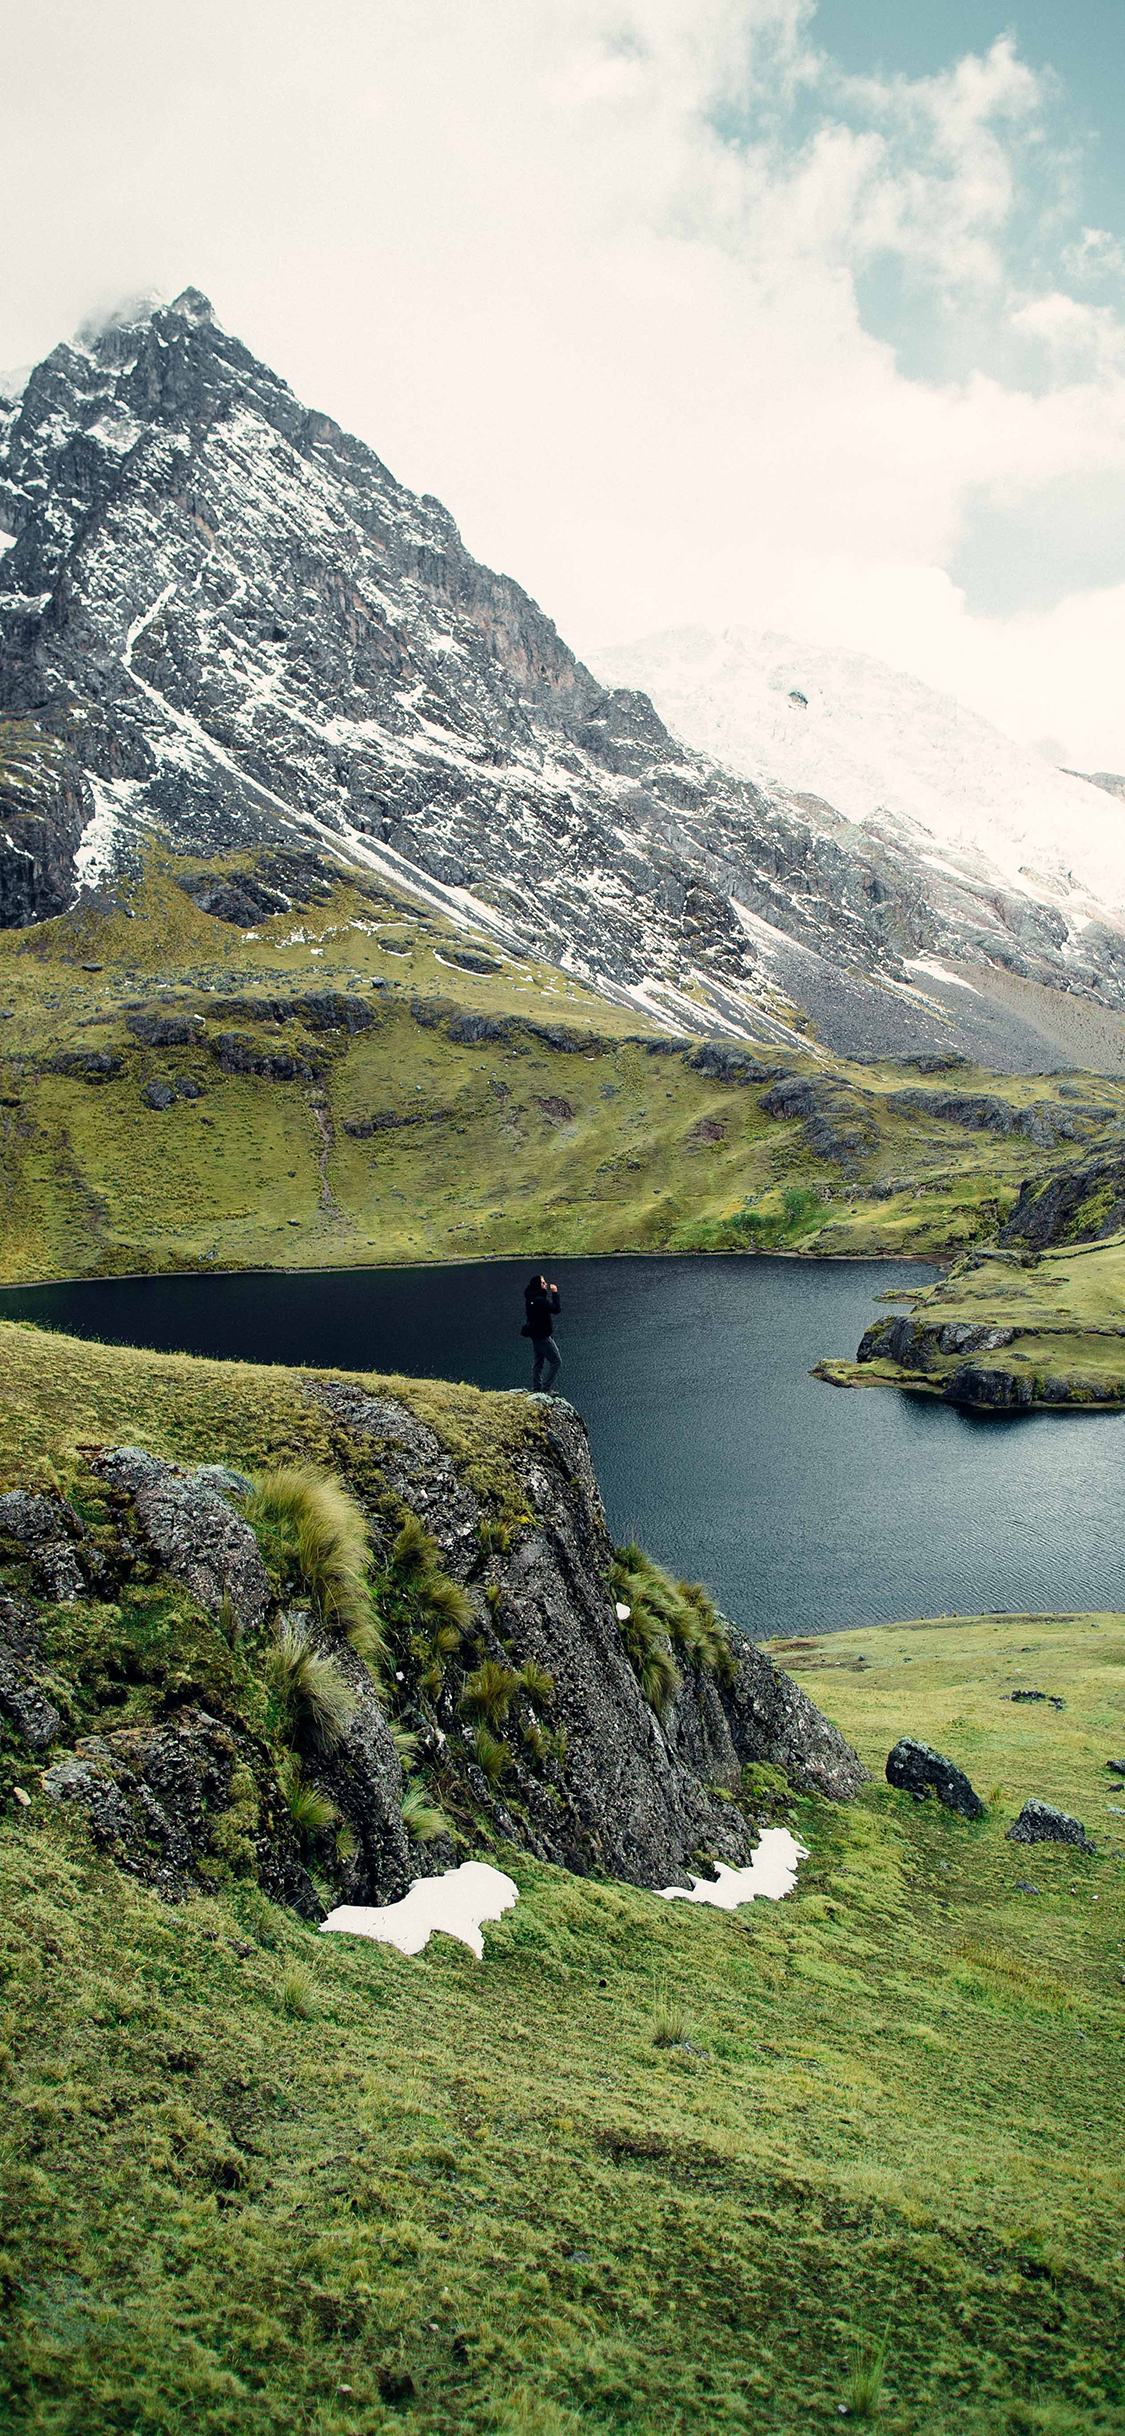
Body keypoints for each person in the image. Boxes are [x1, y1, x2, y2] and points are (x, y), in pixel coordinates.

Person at [523, 1272, 561, 1392]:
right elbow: (556, 1309)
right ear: (539, 1286)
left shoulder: (530, 1299)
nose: (546, 1284)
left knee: (538, 1362)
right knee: (556, 1361)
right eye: (543, 1282)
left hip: (534, 1334)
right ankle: (546, 1388)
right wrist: (555, 1293)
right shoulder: (539, 1300)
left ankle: (537, 1387)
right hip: (543, 1335)